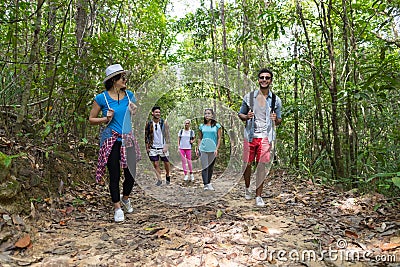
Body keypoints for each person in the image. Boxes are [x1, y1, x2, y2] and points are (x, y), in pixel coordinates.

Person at [89, 63, 140, 222]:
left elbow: (133, 114)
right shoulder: (101, 98)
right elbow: (91, 119)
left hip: (127, 138)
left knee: (131, 174)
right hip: (111, 139)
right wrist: (105, 118)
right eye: (121, 77)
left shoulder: (130, 95)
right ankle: (117, 207)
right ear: (113, 80)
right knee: (114, 174)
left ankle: (125, 198)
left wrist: (134, 111)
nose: (125, 80)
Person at [238, 68, 282, 207]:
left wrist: (276, 119)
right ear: (258, 80)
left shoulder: (275, 100)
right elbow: (240, 114)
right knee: (247, 164)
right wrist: (247, 116)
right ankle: (247, 188)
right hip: (250, 136)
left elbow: (279, 120)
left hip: (265, 137)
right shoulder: (249, 97)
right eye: (262, 77)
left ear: (271, 80)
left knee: (261, 165)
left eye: (267, 78)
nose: (264, 80)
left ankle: (259, 196)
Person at [196, 108, 222, 191]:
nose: (207, 115)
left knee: (210, 167)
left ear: (212, 115)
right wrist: (198, 148)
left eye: (209, 113)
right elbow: (199, 138)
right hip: (203, 149)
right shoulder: (201, 126)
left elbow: (219, 138)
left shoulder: (217, 126)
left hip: (213, 149)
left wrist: (217, 149)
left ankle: (209, 182)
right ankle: (205, 184)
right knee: (205, 167)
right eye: (205, 113)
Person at [145, 106, 171, 186]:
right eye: (156, 112)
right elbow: (146, 136)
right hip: (153, 147)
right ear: (152, 113)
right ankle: (159, 179)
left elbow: (167, 134)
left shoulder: (164, 123)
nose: (158, 114)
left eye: (159, 112)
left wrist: (167, 145)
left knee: (166, 162)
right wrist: (147, 147)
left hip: (163, 146)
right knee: (155, 164)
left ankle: (167, 175)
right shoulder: (149, 124)